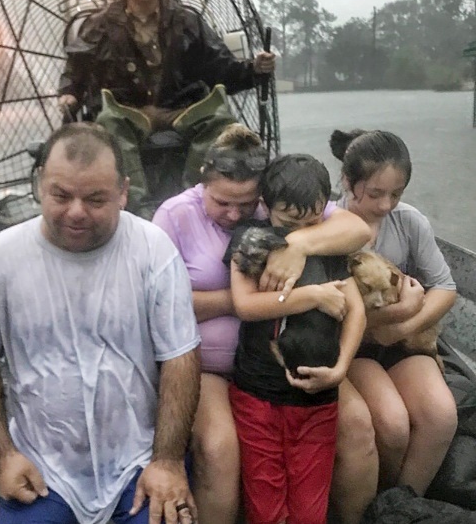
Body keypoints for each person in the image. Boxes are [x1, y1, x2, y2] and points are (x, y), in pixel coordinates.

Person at [0, 123, 201, 524]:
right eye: (61, 195)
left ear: (123, 192)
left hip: (137, 461)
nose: (77, 212)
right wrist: (2, 457)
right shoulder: (1, 258)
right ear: (39, 186)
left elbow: (180, 357)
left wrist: (168, 461)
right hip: (42, 468)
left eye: (96, 199)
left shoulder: (153, 250)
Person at [152, 124, 371, 524]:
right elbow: (158, 305)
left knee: (358, 426)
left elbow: (358, 229)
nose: (235, 214)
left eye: (246, 203)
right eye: (221, 202)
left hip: (299, 362)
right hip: (214, 367)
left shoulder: (282, 212)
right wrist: (260, 300)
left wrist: (298, 244)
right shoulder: (174, 216)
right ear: (203, 182)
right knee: (219, 448)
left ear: (263, 198)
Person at [57, 0, 275, 217]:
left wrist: (254, 69)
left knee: (222, 126)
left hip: (183, 108)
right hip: (128, 111)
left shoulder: (187, 20)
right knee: (108, 128)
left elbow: (221, 67)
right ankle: (134, 208)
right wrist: (69, 93)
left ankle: (195, 200)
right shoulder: (100, 24)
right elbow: (78, 66)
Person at [225, 153, 366, 524]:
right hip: (258, 396)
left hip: (319, 400)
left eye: (312, 221)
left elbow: (357, 312)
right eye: (287, 222)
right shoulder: (252, 240)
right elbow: (244, 305)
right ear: (265, 206)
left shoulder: (330, 246)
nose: (296, 232)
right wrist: (313, 295)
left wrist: (341, 368)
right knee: (266, 508)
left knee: (309, 511)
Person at [330, 128, 458, 498]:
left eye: (396, 194)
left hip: (401, 338)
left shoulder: (408, 221)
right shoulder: (328, 227)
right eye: (375, 194)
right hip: (354, 346)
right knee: (392, 424)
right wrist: (396, 312)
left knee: (440, 415)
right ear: (348, 181)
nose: (386, 205)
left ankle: (402, 506)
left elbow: (445, 288)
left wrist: (407, 323)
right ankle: (372, 500)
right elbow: (334, 313)